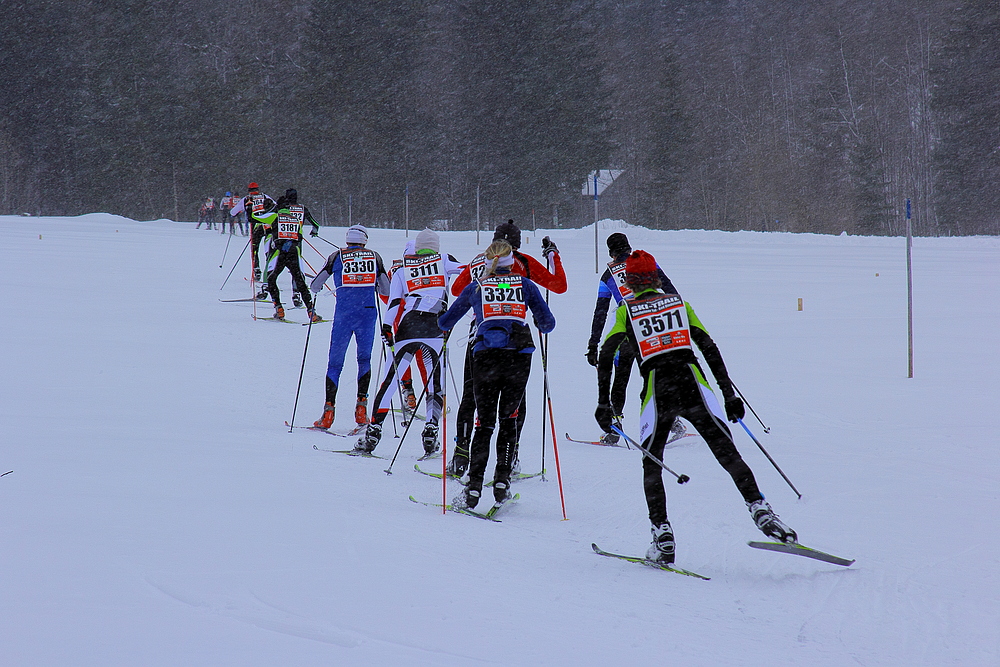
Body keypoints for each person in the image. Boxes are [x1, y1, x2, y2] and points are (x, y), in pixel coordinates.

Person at [598, 250, 796, 565]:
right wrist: (729, 394)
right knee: (728, 454)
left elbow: (608, 354)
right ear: (657, 278)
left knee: (653, 464)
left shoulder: (627, 312)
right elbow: (708, 346)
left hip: (656, 389)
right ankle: (760, 508)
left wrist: (604, 403)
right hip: (694, 384)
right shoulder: (679, 304)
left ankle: (662, 534)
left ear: (631, 284)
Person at [438, 240, 556, 508]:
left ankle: (474, 488)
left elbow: (445, 322)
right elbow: (548, 324)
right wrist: (535, 319)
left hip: (486, 357)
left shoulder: (477, 286)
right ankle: (502, 481)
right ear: (512, 262)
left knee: (485, 422)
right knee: (509, 418)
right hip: (519, 356)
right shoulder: (525, 285)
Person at [353, 228, 463, 456]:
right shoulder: (443, 259)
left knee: (390, 382)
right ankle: (431, 430)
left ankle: (373, 431)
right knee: (435, 383)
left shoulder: (404, 269)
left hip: (407, 326)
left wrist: (386, 327)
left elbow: (394, 302)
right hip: (435, 326)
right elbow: (467, 272)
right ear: (435, 246)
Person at [589, 232, 684, 444]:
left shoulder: (607, 276)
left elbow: (600, 312)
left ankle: (614, 428)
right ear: (628, 248)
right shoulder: (647, 262)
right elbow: (670, 289)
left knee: (621, 378)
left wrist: (593, 344)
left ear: (611, 253)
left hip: (626, 331)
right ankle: (673, 420)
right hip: (652, 327)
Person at [309, 225, 390, 428]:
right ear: (364, 241)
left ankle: (328, 414)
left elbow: (315, 285)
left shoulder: (336, 256)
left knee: (335, 364)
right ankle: (361, 411)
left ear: (347, 240)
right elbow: (386, 288)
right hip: (367, 314)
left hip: (344, 314)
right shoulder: (375, 257)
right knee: (364, 360)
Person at [265, 188, 321, 322]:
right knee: (299, 278)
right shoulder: (300, 211)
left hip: (280, 250)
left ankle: (278, 308)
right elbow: (315, 224)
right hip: (296, 248)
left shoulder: (277, 213)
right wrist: (314, 231)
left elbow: (259, 219)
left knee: (272, 278)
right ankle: (309, 309)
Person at [233, 182, 278, 299]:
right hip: (268, 225)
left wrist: (239, 212)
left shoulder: (246, 199)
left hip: (255, 226)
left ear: (249, 190)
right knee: (268, 250)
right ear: (258, 189)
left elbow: (233, 212)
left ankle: (257, 270)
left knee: (254, 249)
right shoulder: (265, 196)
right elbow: (277, 206)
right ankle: (269, 273)